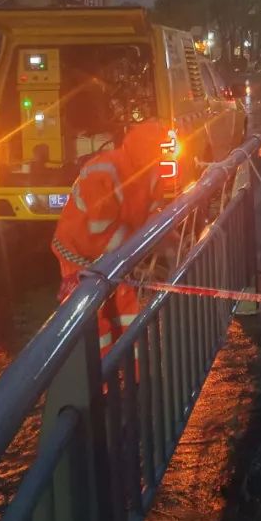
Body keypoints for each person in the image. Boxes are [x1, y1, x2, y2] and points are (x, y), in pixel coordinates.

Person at [50, 119, 168, 357]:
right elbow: (100, 229)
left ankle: (131, 368)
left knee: (125, 311)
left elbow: (153, 216)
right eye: (154, 148)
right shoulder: (103, 171)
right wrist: (135, 254)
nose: (157, 154)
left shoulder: (151, 171)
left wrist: (168, 243)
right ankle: (98, 370)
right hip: (80, 253)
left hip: (118, 254)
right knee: (92, 315)